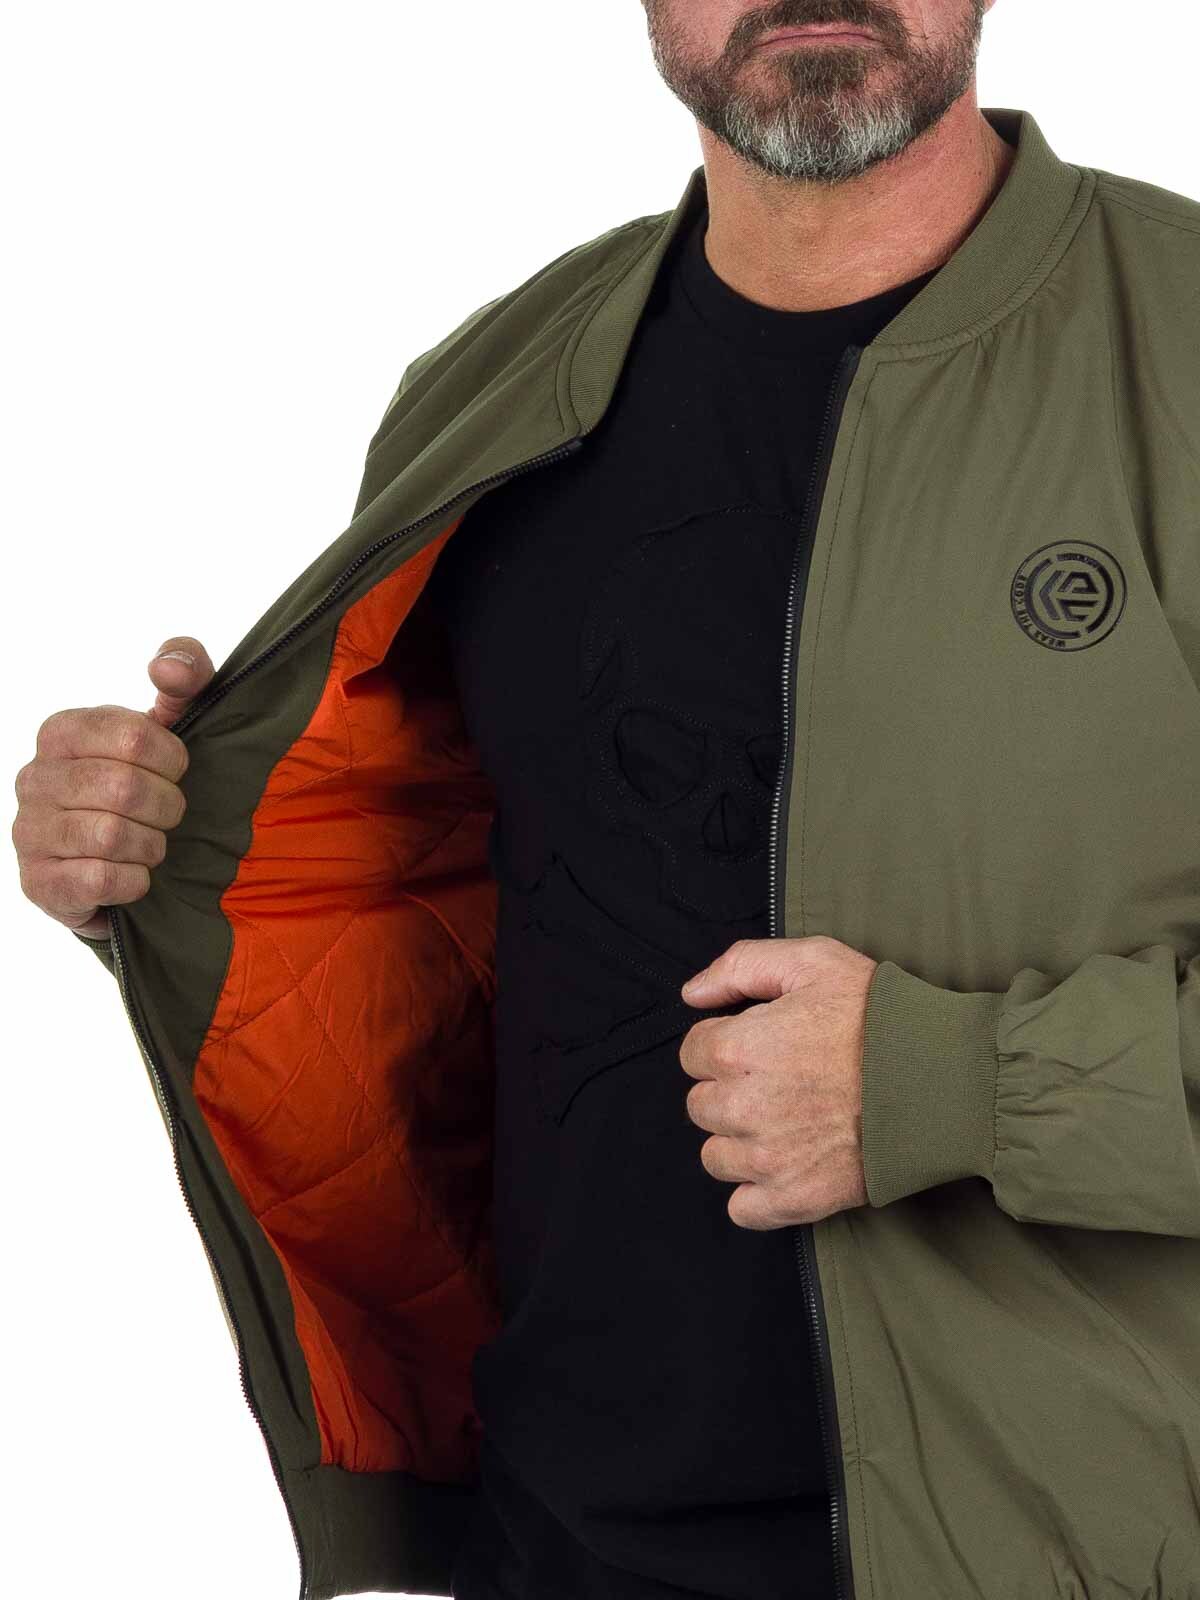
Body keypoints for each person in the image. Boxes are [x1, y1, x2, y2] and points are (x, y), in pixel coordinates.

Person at [13, 4, 1200, 1598]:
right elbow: (412, 913)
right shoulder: (491, 390)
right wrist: (162, 847)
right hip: (560, 1539)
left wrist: (960, 1087)